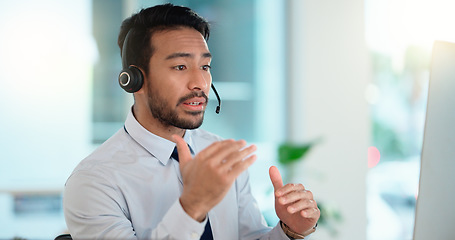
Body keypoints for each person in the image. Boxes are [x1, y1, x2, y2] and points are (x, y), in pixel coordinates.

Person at [63, 3, 320, 240]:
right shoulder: (94, 181)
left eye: (205, 67)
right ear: (134, 80)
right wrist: (193, 206)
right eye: (180, 67)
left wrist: (289, 231)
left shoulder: (220, 154)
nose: (200, 83)